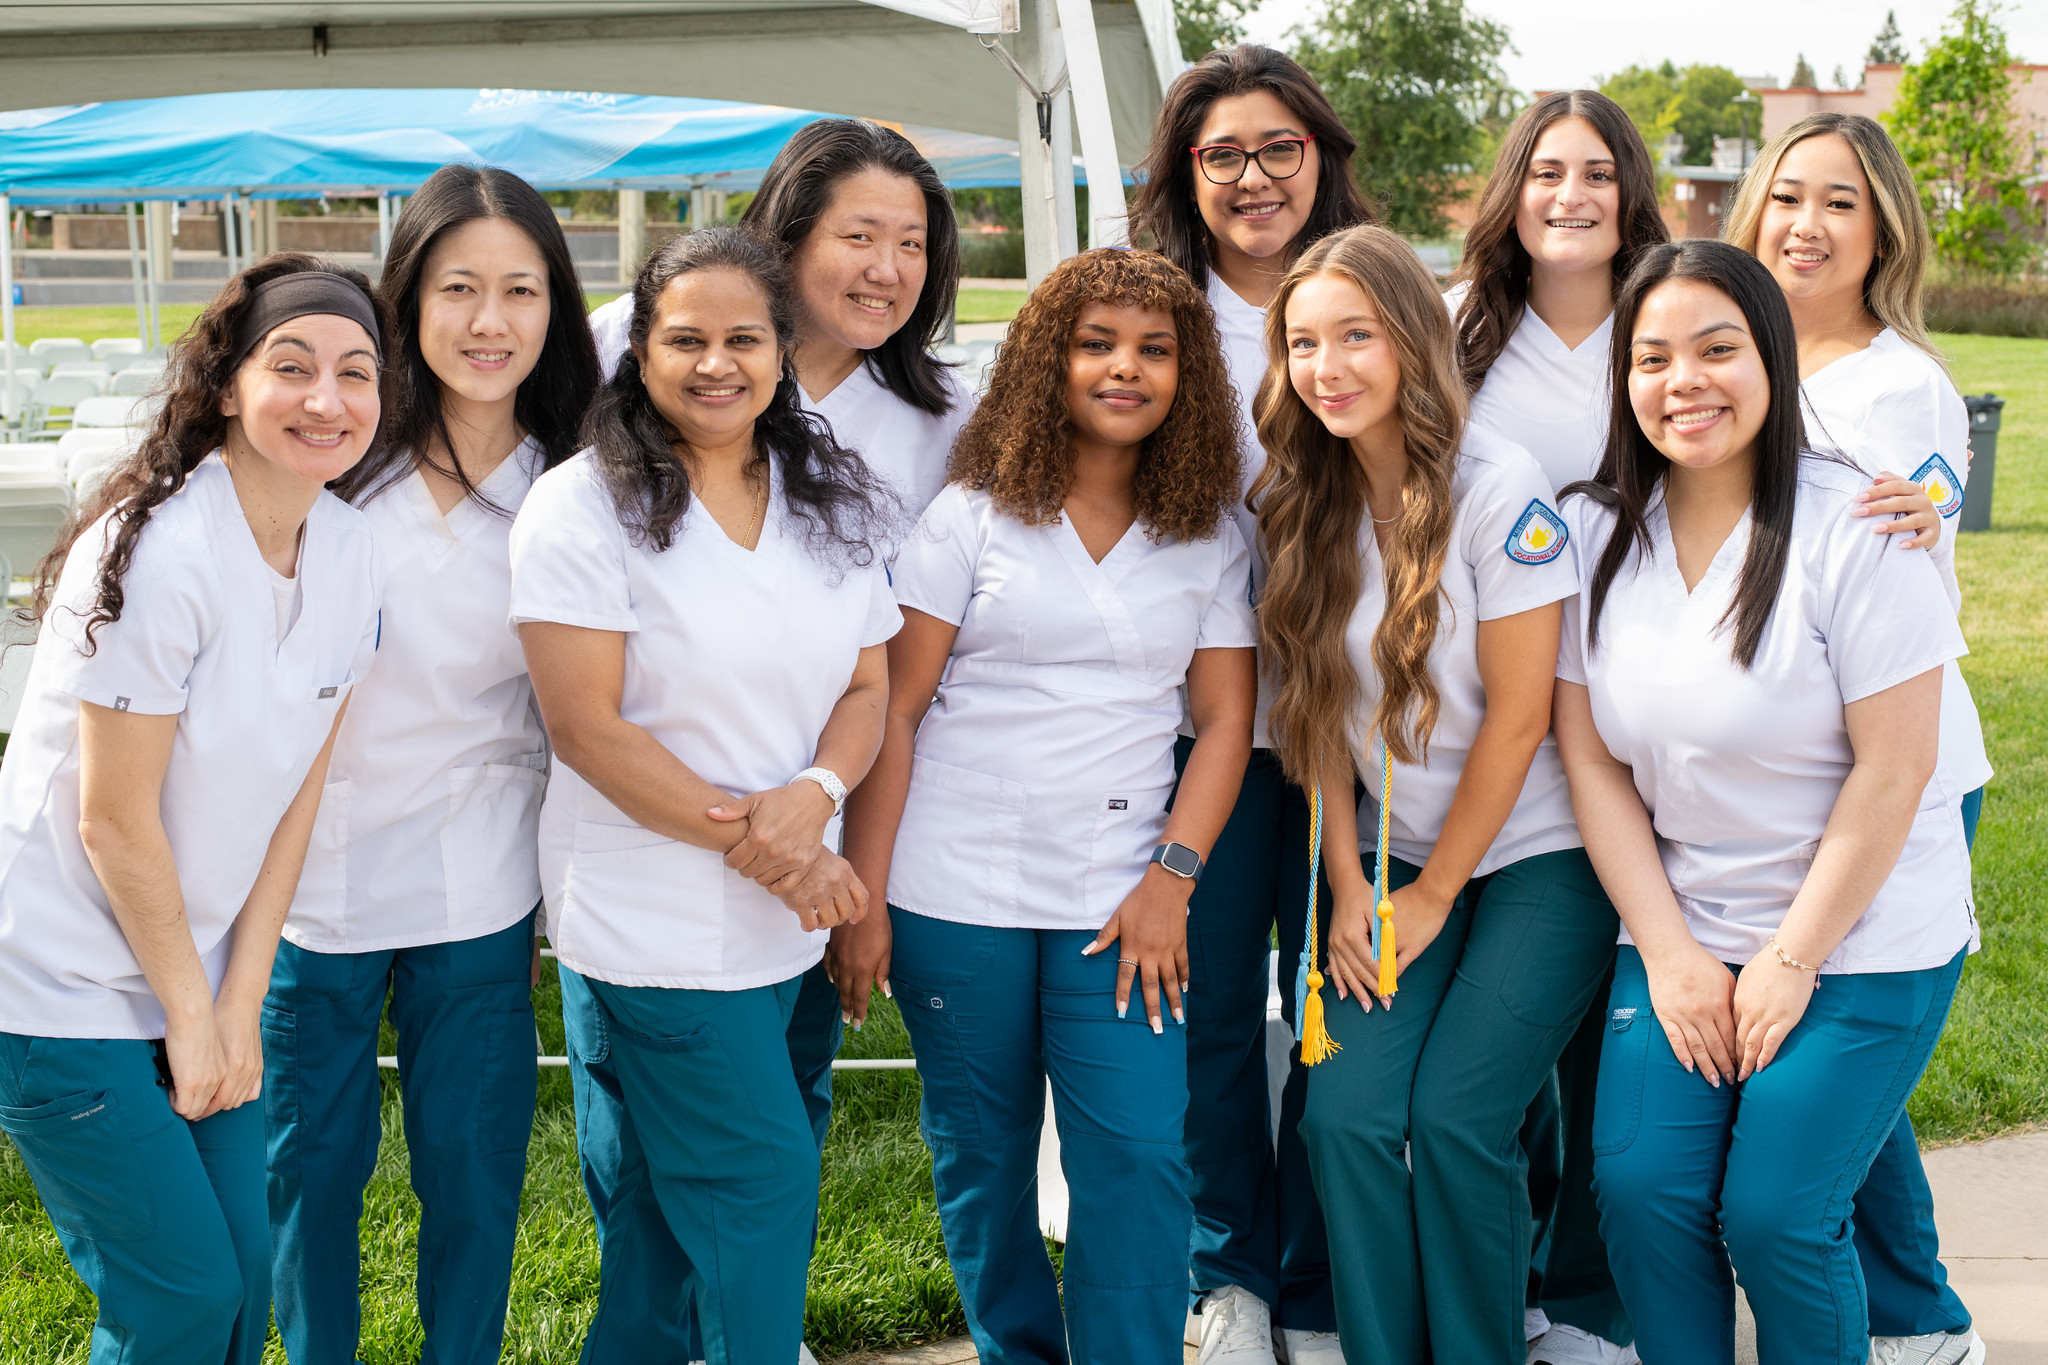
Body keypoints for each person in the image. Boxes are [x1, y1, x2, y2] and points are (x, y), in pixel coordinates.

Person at [571, 119, 970, 1365]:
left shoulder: (930, 418)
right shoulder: (621, 380)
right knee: (650, 1150)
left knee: (775, 1113)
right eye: (858, 235)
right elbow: (585, 682)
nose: (885, 269)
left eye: (912, 244)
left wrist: (832, 840)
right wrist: (774, 841)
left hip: (832, 809)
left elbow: (880, 676)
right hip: (654, 839)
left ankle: (735, 1327)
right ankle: (703, 1331)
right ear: (786, 236)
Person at [1555, 239, 1976, 1365]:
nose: (1681, 380)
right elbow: (1590, 762)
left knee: (1776, 1216)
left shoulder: (1861, 526)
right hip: (1689, 927)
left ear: (1771, 360)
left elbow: (1893, 771)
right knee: (1643, 1193)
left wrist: (1787, 962)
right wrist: (1671, 954)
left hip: (1860, 937)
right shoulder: (1594, 532)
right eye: (1650, 357)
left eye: (1715, 349)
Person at [841, 247, 1257, 1365]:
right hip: (951, 883)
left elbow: (1220, 724)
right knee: (980, 1154)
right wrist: (864, 897)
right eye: (1095, 344)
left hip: (1118, 891)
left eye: (1153, 350)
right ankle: (1013, 1352)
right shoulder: (968, 518)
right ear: (1045, 363)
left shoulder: (1210, 533)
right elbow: (897, 709)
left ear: (1187, 376)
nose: (1124, 369)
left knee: (1136, 1150)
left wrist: (1172, 878)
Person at [511, 226, 899, 1365]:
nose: (713, 362)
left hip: (789, 921)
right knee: (756, 1191)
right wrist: (784, 849)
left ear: (784, 348)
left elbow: (869, 680)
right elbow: (587, 728)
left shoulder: (828, 493)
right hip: (656, 921)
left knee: (656, 1232)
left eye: (743, 337)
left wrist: (816, 792)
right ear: (638, 349)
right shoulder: (582, 508)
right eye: (683, 338)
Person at [0, 254, 385, 1365]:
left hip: (196, 977)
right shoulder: (159, 552)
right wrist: (189, 1010)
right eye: (293, 366)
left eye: (356, 373)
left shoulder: (352, 549)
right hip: (60, 984)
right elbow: (112, 820)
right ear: (226, 384)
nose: (328, 398)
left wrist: (238, 998)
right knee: (174, 1300)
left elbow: (299, 787)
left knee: (238, 1294)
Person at [1253, 222, 1614, 1364]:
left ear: (1409, 337)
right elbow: (1308, 717)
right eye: (1303, 343)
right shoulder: (1299, 501)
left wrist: (1432, 891)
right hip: (1389, 858)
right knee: (1348, 1117)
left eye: (1354, 335)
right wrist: (1348, 885)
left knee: (1456, 1119)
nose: (1328, 368)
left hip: (1534, 854)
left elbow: (1518, 717)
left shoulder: (1493, 486)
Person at [261, 166, 600, 1365]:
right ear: (405, 300)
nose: (489, 321)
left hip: (480, 886)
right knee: (308, 1178)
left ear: (555, 307)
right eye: (458, 287)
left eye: (519, 289)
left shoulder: (579, 482)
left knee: (471, 1177)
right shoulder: (333, 461)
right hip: (313, 887)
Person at [1722, 110, 1991, 1365]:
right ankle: (1914, 1311)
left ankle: (1916, 1319)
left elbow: (1914, 530)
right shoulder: (1733, 357)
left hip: (1891, 777)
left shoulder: (1899, 386)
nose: (1805, 225)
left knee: (1830, 1056)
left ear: (1881, 224)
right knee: (1825, 1081)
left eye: (1838, 201)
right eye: (1786, 197)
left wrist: (1914, 521)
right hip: (1760, 785)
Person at [1127, 44, 1378, 1364]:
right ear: (1185, 174)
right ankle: (1229, 1273)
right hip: (1199, 728)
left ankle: (1322, 1276)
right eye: (1221, 153)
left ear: (1322, 157)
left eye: (1280, 148)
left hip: (1359, 728)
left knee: (1344, 1004)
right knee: (1209, 1006)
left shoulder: (1386, 298)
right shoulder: (1151, 312)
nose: (1254, 176)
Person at [1446, 89, 1668, 1365]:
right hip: (1495, 716)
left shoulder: (1668, 321)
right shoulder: (1466, 337)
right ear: (1511, 193)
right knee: (1507, 1044)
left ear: (1627, 191)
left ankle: (1594, 1304)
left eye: (1594, 172)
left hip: (1645, 700)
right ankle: (1515, 1287)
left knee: (1611, 1029)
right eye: (1544, 172)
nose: (1569, 195)